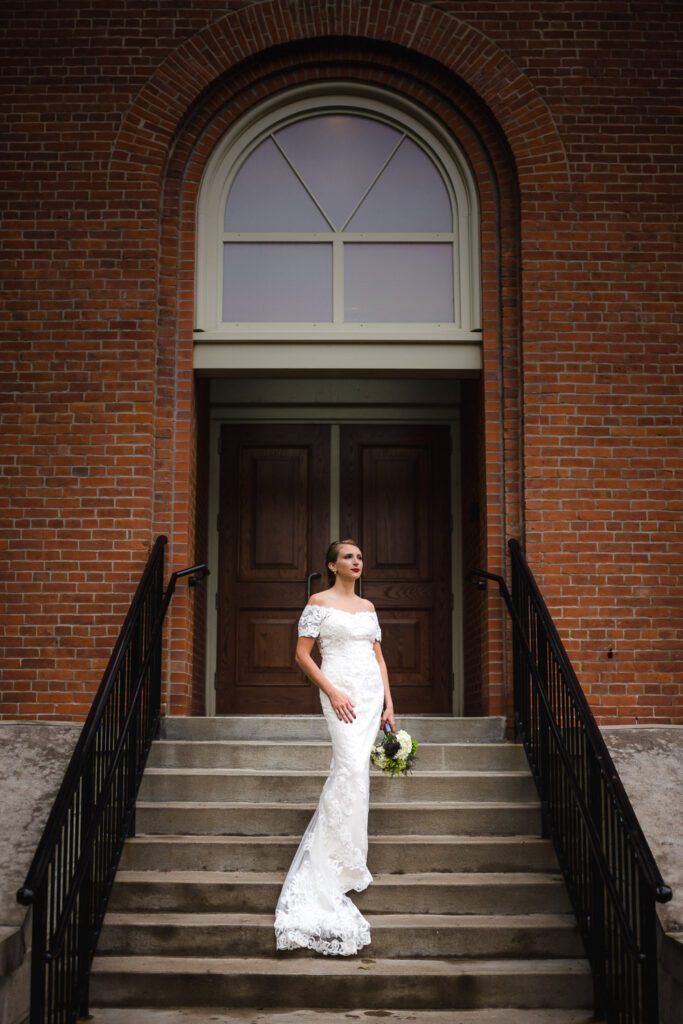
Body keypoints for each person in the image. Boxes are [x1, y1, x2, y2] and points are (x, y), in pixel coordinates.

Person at [273, 539, 396, 956]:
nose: (356, 561)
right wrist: (333, 691)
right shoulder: (319, 601)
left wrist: (390, 706)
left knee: (358, 771)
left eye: (360, 556)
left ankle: (349, 857)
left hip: (369, 693)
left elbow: (379, 659)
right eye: (348, 557)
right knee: (348, 768)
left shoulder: (369, 609)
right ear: (332, 565)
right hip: (338, 691)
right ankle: (329, 863)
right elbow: (302, 655)